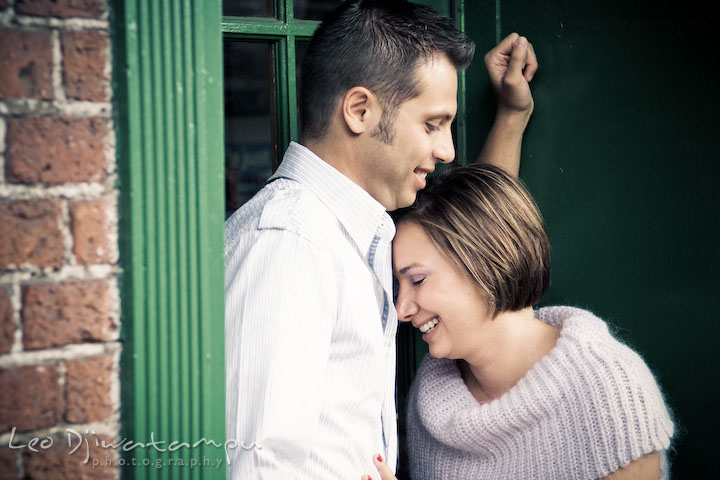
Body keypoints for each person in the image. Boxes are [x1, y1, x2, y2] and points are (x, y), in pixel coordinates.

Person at [224, 0, 537, 477]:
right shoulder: (290, 243)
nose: (446, 149)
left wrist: (511, 117)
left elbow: (481, 237)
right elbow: (253, 466)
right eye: (432, 124)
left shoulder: (350, 231)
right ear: (359, 110)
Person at [364, 164, 674, 480]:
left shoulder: (612, 392)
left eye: (417, 280)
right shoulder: (430, 401)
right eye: (397, 286)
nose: (401, 310)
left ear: (485, 262)